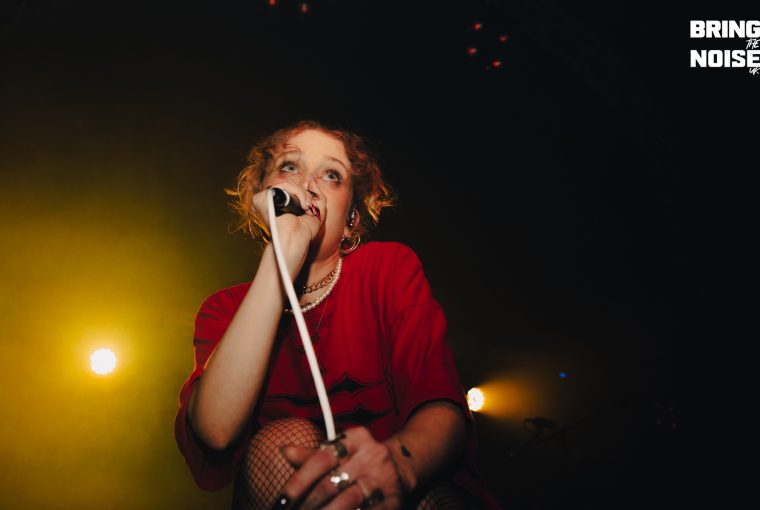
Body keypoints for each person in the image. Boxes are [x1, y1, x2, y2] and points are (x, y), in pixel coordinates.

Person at [174, 120, 500, 509]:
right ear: (262, 197)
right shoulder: (225, 308)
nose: (308, 184)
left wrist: (396, 464)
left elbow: (443, 408)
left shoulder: (387, 269)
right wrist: (284, 254)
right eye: (290, 167)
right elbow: (215, 430)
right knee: (282, 442)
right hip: (284, 476)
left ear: (350, 219)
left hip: (407, 492)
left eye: (331, 175)